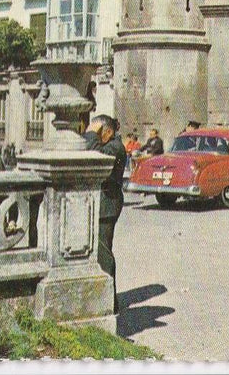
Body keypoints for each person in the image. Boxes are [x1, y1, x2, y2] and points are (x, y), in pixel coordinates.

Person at [84, 114, 127, 313]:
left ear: (108, 131)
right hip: (99, 204)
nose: (94, 135)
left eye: (98, 132)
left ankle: (109, 304)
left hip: (107, 205)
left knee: (103, 253)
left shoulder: (116, 147)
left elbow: (95, 155)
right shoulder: (109, 144)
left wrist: (91, 133)